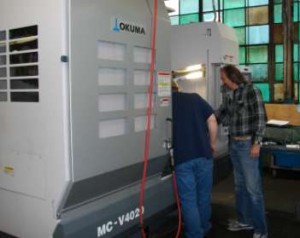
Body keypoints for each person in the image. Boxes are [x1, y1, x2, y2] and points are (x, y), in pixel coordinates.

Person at [215, 65, 268, 238]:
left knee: (253, 189)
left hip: (247, 145)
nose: (221, 81)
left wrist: (257, 143)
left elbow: (261, 118)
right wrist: (200, 116)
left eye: (223, 78)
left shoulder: (253, 91)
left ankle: (261, 229)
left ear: (231, 77)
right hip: (234, 145)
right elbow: (220, 115)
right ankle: (245, 221)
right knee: (239, 186)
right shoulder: (229, 95)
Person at [172, 80, 218, 238]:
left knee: (188, 200)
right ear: (178, 87)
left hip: (182, 159)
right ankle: (204, 227)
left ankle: (195, 234)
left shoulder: (164, 104)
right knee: (204, 196)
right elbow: (212, 121)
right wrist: (212, 144)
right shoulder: (194, 98)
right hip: (204, 155)